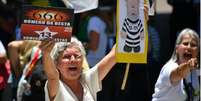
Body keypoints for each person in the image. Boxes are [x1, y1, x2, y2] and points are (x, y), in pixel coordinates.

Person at [39, 37, 116, 101]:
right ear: (56, 64)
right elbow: (52, 76)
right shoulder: (57, 86)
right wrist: (46, 53)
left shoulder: (88, 80)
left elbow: (114, 55)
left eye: (77, 56)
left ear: (83, 60)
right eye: (66, 57)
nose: (73, 60)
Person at [152, 28, 200, 101]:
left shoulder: (195, 72)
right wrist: (188, 66)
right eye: (185, 43)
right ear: (177, 49)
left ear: (197, 51)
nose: (189, 47)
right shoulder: (169, 67)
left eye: (193, 45)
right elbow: (178, 73)